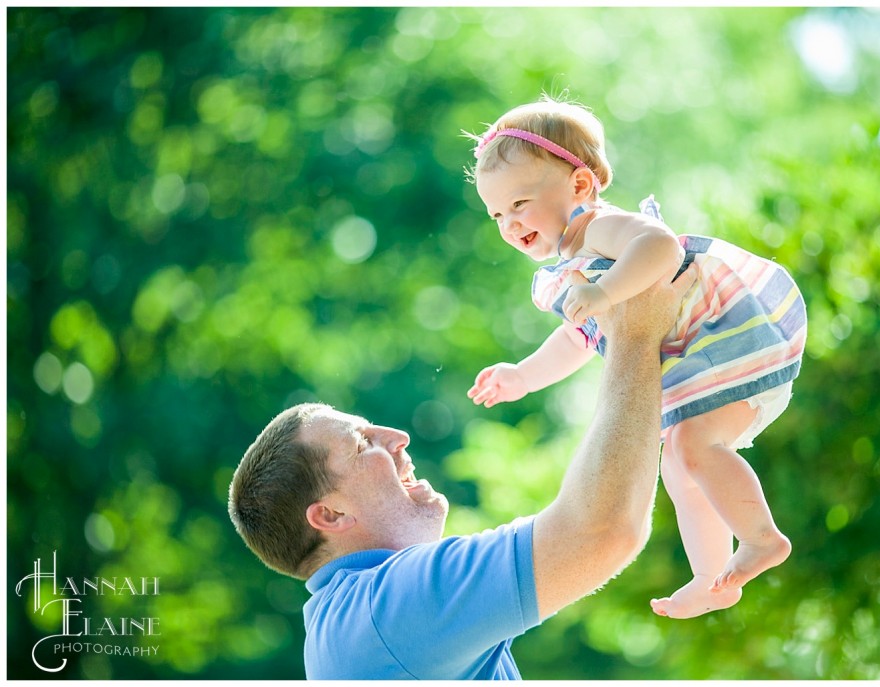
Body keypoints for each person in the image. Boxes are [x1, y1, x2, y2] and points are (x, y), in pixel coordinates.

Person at [228, 273, 684, 679]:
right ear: (330, 514)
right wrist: (637, 334)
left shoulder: (355, 625)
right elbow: (600, 530)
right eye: (363, 443)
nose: (398, 437)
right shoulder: (386, 613)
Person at [466, 96, 808, 619]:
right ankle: (711, 579)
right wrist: (524, 376)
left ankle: (762, 538)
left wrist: (605, 295)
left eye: (519, 205)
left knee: (693, 445)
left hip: (728, 338)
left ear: (579, 187)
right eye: (496, 215)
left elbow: (661, 246)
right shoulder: (570, 268)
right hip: (702, 360)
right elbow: (578, 338)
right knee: (680, 459)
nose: (509, 224)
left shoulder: (599, 229)